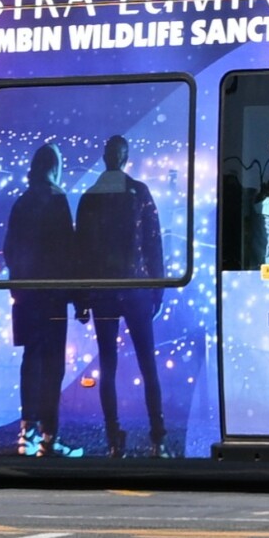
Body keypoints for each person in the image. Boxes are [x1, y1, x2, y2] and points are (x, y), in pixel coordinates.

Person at [77, 133, 168, 455]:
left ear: (105, 158)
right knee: (147, 364)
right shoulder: (139, 192)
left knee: (108, 365)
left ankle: (114, 438)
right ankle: (158, 436)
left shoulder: (90, 197)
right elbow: (153, 241)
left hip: (103, 290)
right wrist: (158, 288)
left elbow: (82, 252)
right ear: (125, 158)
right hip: (137, 288)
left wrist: (82, 298)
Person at [2, 142, 74, 455]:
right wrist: (76, 296)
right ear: (55, 167)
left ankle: (26, 432)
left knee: (30, 360)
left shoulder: (21, 202)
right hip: (53, 296)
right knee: (53, 365)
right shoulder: (58, 200)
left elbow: (9, 250)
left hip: (26, 296)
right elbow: (68, 250)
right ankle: (49, 437)